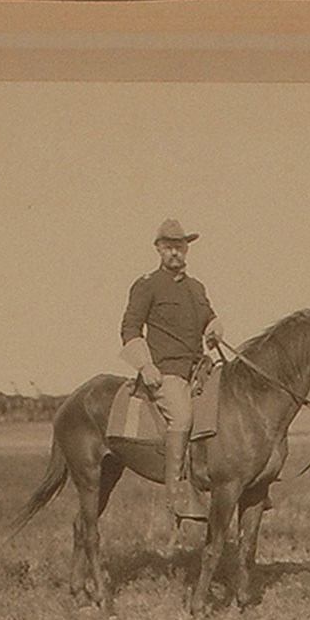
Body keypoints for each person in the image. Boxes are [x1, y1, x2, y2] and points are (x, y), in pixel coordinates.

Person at [120, 219, 223, 528]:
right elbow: (130, 328)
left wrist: (215, 328)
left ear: (186, 249)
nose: (175, 253)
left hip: (199, 371)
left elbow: (209, 317)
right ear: (158, 249)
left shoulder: (196, 287)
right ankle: (178, 494)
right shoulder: (147, 285)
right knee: (182, 417)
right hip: (166, 371)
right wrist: (145, 365)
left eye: (179, 247)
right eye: (169, 247)